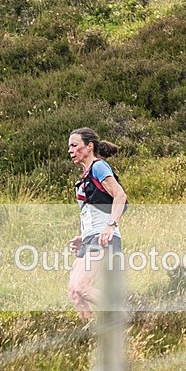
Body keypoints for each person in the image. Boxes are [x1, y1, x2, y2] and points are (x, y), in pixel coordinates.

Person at [67, 127, 127, 322]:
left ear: (89, 146)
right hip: (90, 238)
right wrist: (81, 237)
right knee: (74, 293)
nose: (70, 150)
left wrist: (111, 226)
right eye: (69, 147)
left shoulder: (99, 167)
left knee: (82, 287)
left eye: (75, 145)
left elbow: (120, 195)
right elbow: (91, 212)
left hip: (103, 237)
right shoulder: (84, 177)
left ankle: (126, 315)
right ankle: (93, 333)